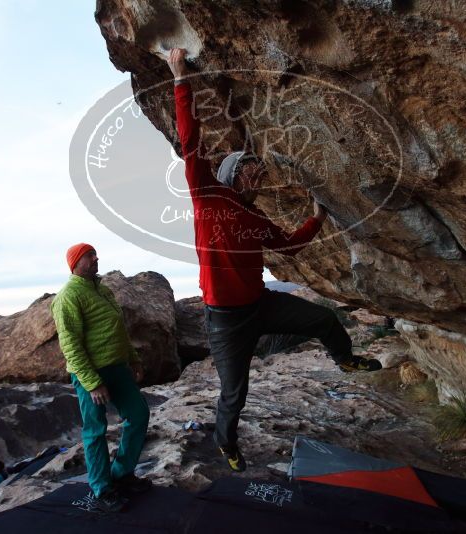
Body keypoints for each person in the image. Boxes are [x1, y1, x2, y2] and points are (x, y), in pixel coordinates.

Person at [165, 48, 382, 473]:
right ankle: (226, 444)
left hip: (261, 304)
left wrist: (317, 217)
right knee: (234, 394)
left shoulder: (256, 216)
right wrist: (178, 79)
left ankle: (346, 358)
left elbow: (290, 245)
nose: (258, 173)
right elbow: (190, 142)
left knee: (324, 320)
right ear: (232, 175)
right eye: (250, 168)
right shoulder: (207, 195)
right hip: (226, 320)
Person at [51, 243, 151, 513]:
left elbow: (119, 329)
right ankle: (101, 488)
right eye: (89, 256)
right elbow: (70, 344)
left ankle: (122, 473)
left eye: (95, 254)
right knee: (95, 429)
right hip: (91, 374)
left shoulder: (103, 290)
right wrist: (91, 382)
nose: (96, 258)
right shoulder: (68, 296)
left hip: (118, 367)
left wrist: (133, 358)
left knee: (139, 414)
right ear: (75, 263)